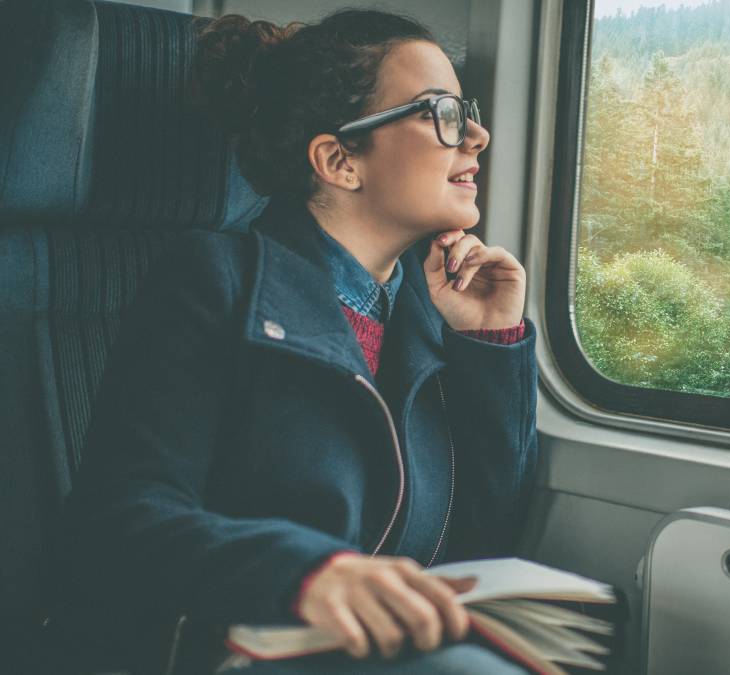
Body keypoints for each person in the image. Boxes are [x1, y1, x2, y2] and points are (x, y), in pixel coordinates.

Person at [53, 9, 536, 675]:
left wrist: (491, 344)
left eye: (468, 111)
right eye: (441, 113)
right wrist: (308, 574)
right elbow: (118, 523)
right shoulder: (214, 280)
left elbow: (482, 538)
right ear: (339, 159)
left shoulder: (429, 311)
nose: (476, 135)